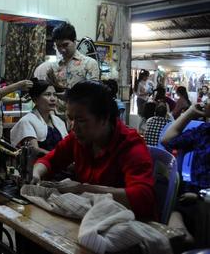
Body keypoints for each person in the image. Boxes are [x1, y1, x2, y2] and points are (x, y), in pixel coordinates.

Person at [31, 80, 156, 220]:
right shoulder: (78, 138)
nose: (73, 127)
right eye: (70, 119)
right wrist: (36, 173)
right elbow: (51, 160)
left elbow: (142, 197)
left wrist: (82, 189)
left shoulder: (131, 146)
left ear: (104, 118)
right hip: (91, 217)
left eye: (81, 120)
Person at [162, 99, 210, 192]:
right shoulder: (204, 130)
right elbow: (167, 140)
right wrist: (190, 113)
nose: (205, 102)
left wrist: (198, 197)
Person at [10, 78, 68, 152]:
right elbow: (35, 150)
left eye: (55, 95)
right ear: (35, 99)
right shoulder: (27, 121)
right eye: (47, 94)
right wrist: (59, 158)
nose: (53, 99)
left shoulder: (59, 121)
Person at [46, 22, 99, 90]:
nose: (62, 50)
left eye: (65, 45)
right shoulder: (54, 66)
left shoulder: (89, 64)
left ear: (74, 41)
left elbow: (93, 93)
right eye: (58, 46)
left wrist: (66, 94)